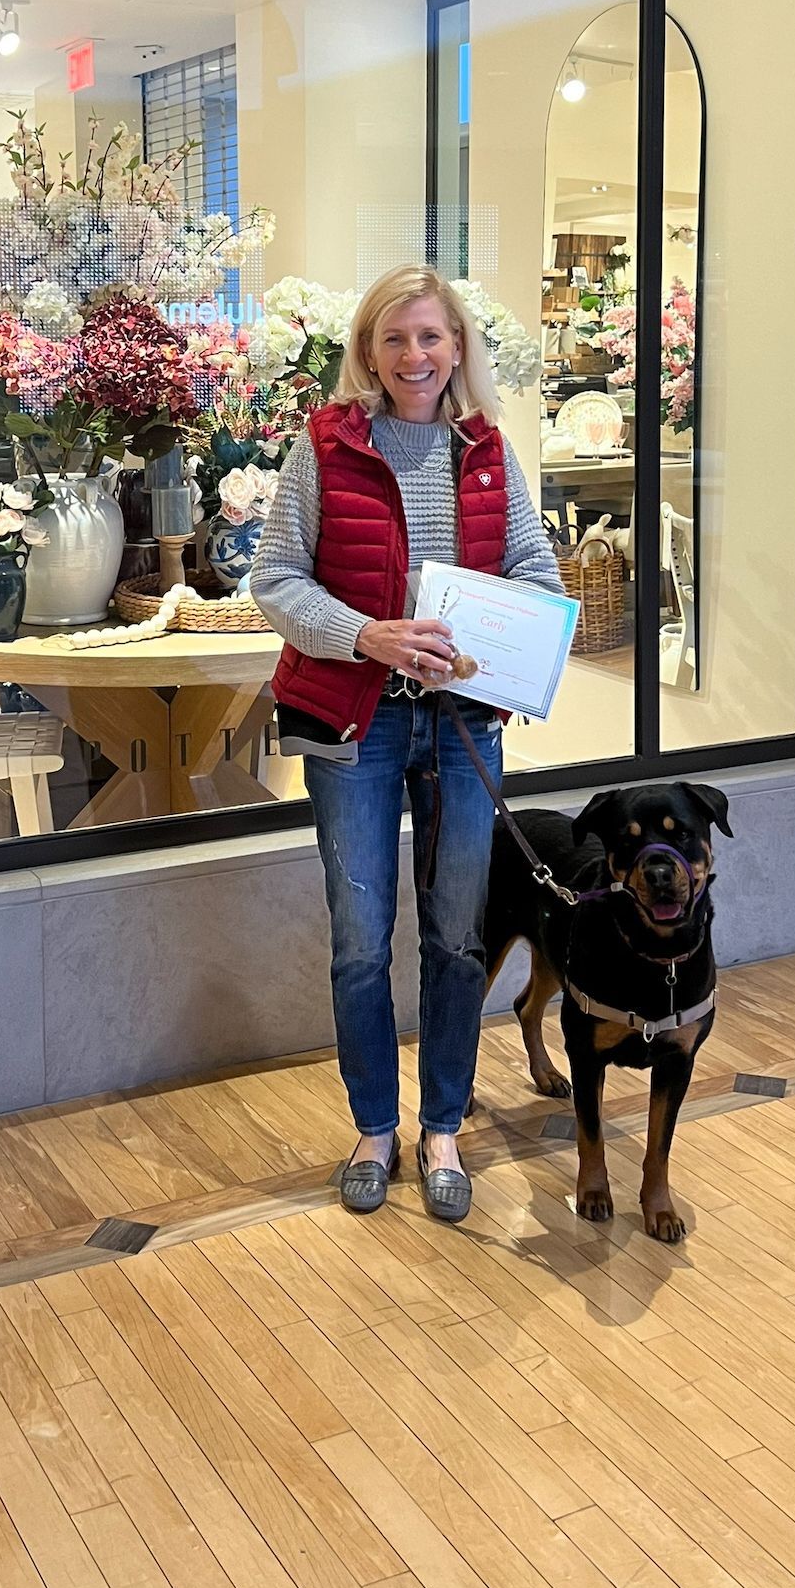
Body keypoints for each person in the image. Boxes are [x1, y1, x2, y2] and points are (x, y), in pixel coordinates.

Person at [250, 266, 564, 1221]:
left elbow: (534, 568)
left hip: (462, 721)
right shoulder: (324, 447)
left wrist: (506, 640)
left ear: (458, 347)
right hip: (360, 722)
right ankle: (375, 1128)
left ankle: (443, 1129)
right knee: (358, 943)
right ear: (367, 352)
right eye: (395, 340)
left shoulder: (489, 452)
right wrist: (369, 636)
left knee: (459, 938)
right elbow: (275, 580)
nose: (415, 356)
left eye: (431, 338)